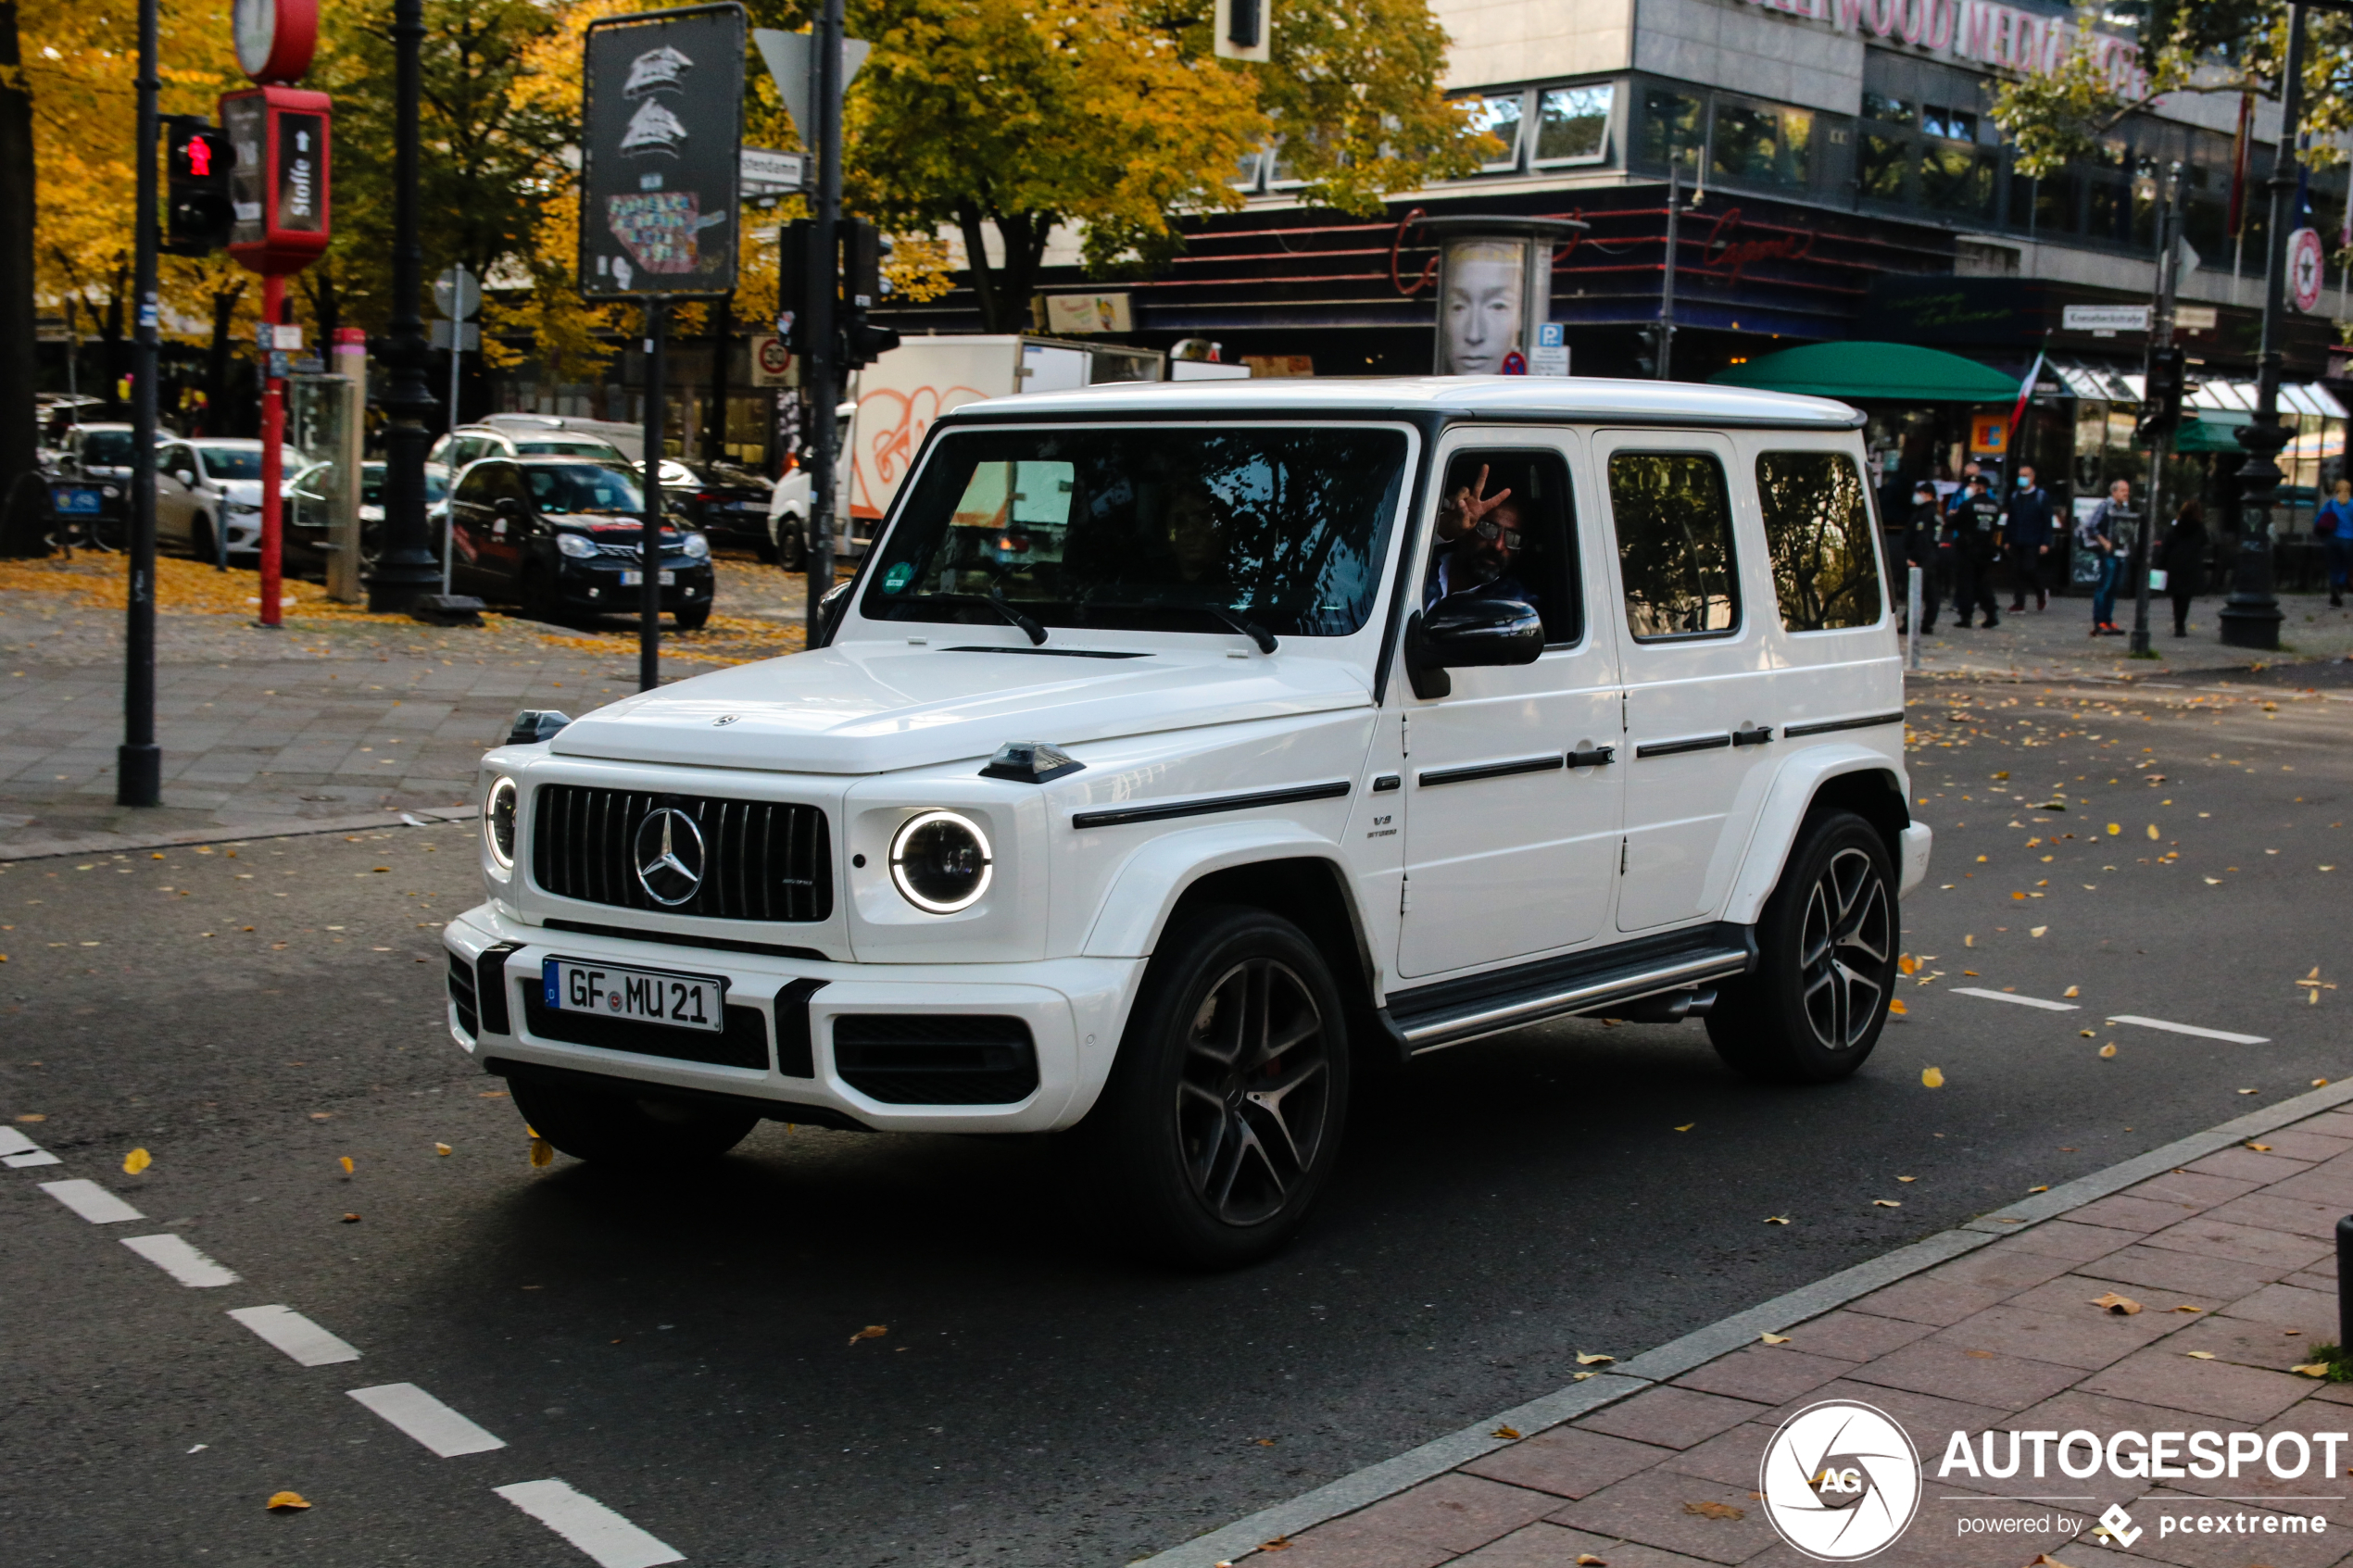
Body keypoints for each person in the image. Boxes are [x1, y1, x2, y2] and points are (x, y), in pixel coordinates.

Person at [1424, 464, 1540, 615]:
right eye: (1488, 528)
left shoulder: (1512, 604)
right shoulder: (1423, 561)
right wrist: (1440, 532)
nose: (1498, 545)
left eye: (1513, 538)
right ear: (1467, 527)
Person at [1949, 472, 2004, 628]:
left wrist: (1954, 516)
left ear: (1980, 487)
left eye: (1972, 486)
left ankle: (1966, 617)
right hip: (1986, 548)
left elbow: (1954, 523)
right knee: (1982, 583)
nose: (1969, 488)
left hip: (1967, 549)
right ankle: (1991, 613)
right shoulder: (1994, 506)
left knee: (1966, 583)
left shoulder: (1968, 505)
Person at [2079, 478, 2132, 636]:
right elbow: (2091, 526)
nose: (2126, 494)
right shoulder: (2105, 506)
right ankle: (2099, 620)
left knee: (2115, 587)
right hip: (2108, 552)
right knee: (2105, 585)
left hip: (2120, 551)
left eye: (2127, 490)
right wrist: (2104, 542)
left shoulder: (2125, 508)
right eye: (2123, 490)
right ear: (2114, 492)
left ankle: (2108, 620)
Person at [2005, 462, 2055, 612]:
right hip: (2016, 539)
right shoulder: (2015, 496)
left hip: (2033, 539)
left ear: (2032, 478)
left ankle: (2040, 592)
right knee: (2017, 571)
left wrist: (2046, 542)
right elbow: (2011, 519)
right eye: (2020, 476)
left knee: (2029, 568)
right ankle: (2019, 603)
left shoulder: (2041, 496)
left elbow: (2047, 521)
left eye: (2025, 476)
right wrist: (2007, 539)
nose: (2022, 479)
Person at [2158, 497, 2208, 637]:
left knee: (2177, 596)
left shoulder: (2175, 527)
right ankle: (2181, 623)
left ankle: (2177, 622)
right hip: (2191, 564)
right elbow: (2204, 541)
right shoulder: (2199, 528)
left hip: (2175, 563)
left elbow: (2167, 544)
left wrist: (2161, 563)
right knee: (2186, 597)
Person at [1901, 481, 1943, 633]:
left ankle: (1910, 625)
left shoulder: (1925, 513)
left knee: (1916, 592)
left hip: (1923, 558)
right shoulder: (1935, 512)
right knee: (1931, 593)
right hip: (1931, 556)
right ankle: (1927, 623)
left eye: (1920, 493)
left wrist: (1914, 557)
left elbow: (1921, 538)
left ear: (1928, 495)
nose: (1917, 496)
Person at [2317, 478, 2353, 608]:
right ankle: (2340, 586)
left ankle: (2333, 591)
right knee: (2345, 566)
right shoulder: (2352, 505)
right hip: (2348, 541)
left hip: (2331, 540)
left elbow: (2318, 520)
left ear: (2336, 490)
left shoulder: (2330, 504)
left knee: (2334, 567)